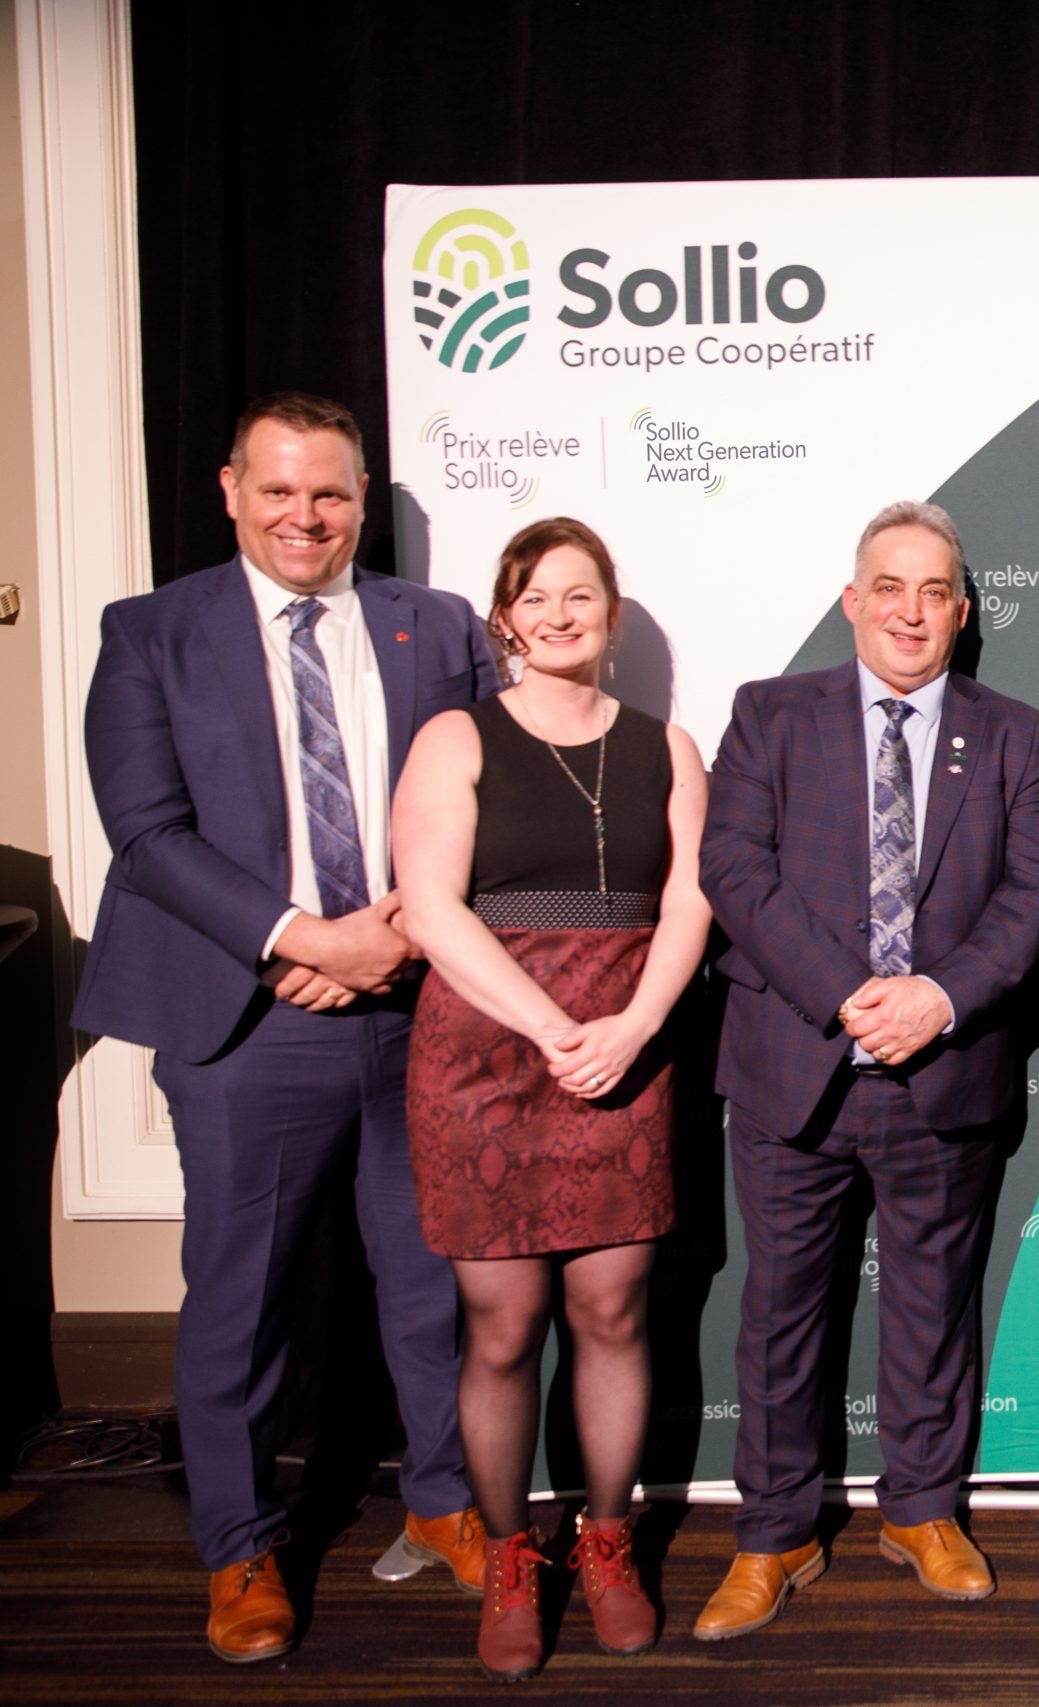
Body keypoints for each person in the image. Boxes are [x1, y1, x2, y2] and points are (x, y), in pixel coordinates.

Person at [71, 392, 497, 1663]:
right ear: (229, 490)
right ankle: (241, 1547)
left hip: (417, 1004)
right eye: (279, 491)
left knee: (431, 1284)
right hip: (252, 1017)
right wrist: (309, 942)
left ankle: (443, 1499)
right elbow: (147, 835)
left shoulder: (438, 627)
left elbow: (492, 798)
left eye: (331, 493)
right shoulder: (153, 633)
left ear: (363, 498)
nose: (305, 516)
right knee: (241, 1299)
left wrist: (399, 933)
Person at [693, 500, 1039, 1638]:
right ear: (853, 599)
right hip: (793, 1065)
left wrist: (938, 998)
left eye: (934, 590)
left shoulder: (1013, 732)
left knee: (929, 1308)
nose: (910, 611)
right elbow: (731, 866)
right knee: (780, 1315)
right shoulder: (769, 714)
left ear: (962, 610)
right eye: (889, 587)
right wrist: (845, 996)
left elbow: (1036, 893)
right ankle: (773, 1534)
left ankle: (922, 1510)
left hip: (942, 1072)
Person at [392, 518, 710, 1678]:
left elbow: (688, 903)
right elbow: (429, 908)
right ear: (506, 618)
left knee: (615, 1311)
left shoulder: (666, 747)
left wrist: (627, 1029)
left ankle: (610, 1541)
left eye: (583, 596)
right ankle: (510, 1556)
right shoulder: (453, 738)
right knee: (503, 1323)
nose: (563, 614)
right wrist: (548, 1026)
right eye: (540, 597)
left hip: (623, 1043)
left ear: (611, 615)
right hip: (485, 1052)